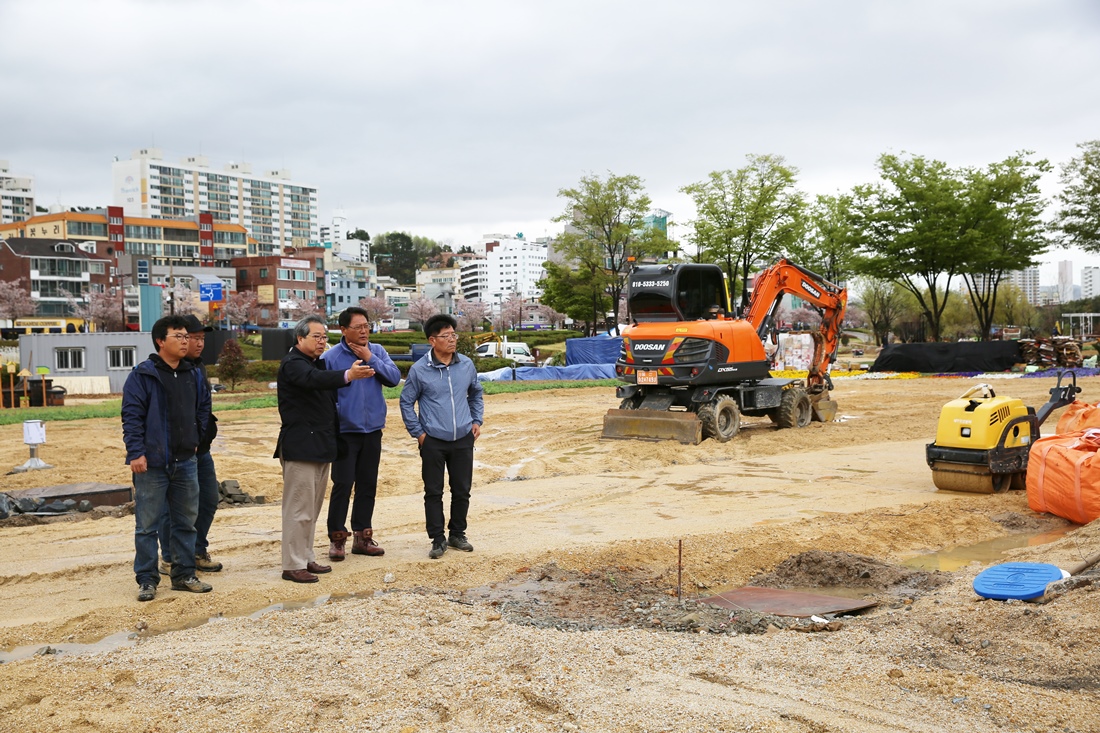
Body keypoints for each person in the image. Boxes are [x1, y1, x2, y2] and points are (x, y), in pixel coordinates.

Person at [275, 315, 372, 583]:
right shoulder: (293, 364)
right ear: (300, 338)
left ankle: (305, 558)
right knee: (298, 509)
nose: (321, 342)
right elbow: (313, 380)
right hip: (300, 447)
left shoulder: (313, 363)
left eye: (323, 337)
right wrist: (348, 375)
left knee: (312, 509)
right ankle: (292, 564)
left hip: (319, 446)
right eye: (316, 336)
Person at [122, 315, 212, 602]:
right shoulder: (143, 375)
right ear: (161, 341)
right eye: (179, 336)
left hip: (186, 460)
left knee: (186, 522)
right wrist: (136, 452)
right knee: (147, 526)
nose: (186, 341)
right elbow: (132, 417)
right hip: (152, 463)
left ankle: (184, 575)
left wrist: (197, 439)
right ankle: (147, 580)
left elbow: (203, 407)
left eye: (187, 336)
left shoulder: (194, 373)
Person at [399, 314, 484, 559]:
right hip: (433, 440)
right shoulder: (419, 370)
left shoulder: (466, 365)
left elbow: (475, 394)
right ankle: (437, 539)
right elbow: (406, 402)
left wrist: (476, 420)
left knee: (462, 489)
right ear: (432, 341)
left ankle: (457, 534)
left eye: (454, 335)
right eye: (446, 336)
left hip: (463, 439)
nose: (452, 340)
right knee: (433, 491)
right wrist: (419, 434)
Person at [320, 307, 401, 560]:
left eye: (367, 326)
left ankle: (363, 538)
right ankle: (337, 538)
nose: (364, 330)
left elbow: (394, 378)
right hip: (345, 432)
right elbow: (325, 393)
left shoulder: (377, 351)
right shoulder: (331, 357)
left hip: (372, 430)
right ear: (343, 330)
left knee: (368, 484)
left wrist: (370, 357)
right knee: (342, 484)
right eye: (358, 327)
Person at [156, 315, 223, 575]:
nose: (197, 343)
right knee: (174, 509)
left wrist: (201, 436)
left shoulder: (198, 367)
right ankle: (171, 556)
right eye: (193, 338)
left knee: (208, 501)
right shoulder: (169, 369)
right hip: (176, 453)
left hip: (200, 449)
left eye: (201, 339)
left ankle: (195, 549)